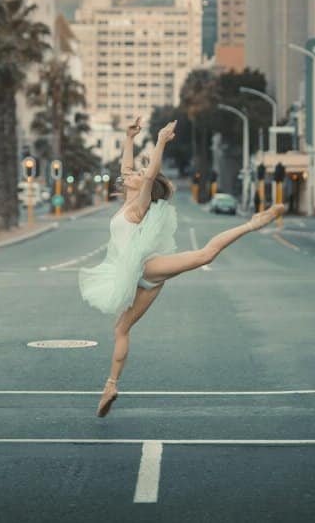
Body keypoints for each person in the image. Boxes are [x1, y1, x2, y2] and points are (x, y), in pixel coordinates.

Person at [78, 116, 285, 417]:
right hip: (134, 276)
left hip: (147, 268)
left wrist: (160, 142)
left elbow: (150, 174)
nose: (131, 174)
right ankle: (111, 386)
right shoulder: (127, 200)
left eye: (137, 174)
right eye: (132, 173)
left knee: (205, 255)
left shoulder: (138, 205)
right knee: (121, 329)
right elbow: (126, 168)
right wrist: (129, 138)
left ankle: (252, 224)